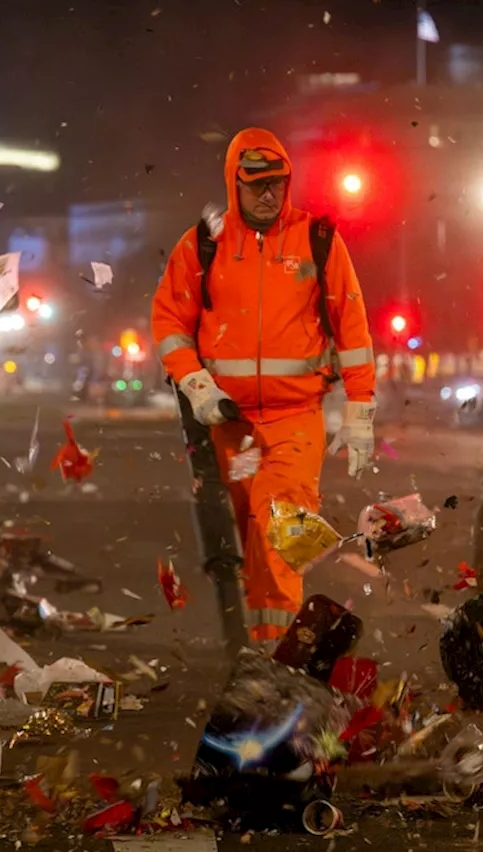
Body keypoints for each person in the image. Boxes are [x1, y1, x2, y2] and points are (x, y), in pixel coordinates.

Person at [151, 127, 377, 646]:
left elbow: (354, 331)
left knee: (280, 534)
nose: (268, 193)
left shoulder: (317, 241)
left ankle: (278, 660)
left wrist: (360, 409)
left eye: (277, 182)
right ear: (234, 183)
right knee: (250, 542)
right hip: (228, 425)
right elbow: (168, 322)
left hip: (295, 419)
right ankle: (259, 654)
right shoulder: (204, 245)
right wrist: (196, 382)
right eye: (255, 184)